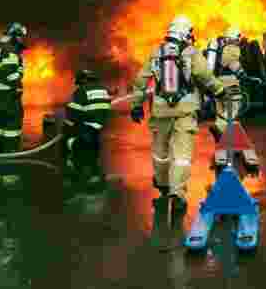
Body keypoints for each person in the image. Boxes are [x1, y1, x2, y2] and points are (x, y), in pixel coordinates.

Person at [130, 15, 235, 216]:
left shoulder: (156, 53)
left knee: (160, 153)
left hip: (160, 111)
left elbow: (140, 81)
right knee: (181, 157)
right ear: (186, 33)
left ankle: (162, 186)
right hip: (185, 113)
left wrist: (136, 106)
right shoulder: (191, 53)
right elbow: (206, 77)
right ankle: (177, 194)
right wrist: (220, 92)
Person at [0, 23, 27, 184]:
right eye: (20, 36)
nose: (21, 39)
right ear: (14, 35)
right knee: (12, 123)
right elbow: (11, 73)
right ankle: (10, 168)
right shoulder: (11, 50)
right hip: (8, 93)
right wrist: (18, 86)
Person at [63, 68, 111, 189]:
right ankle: (94, 171)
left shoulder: (81, 91)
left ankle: (74, 159)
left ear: (82, 81)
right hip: (99, 125)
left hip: (86, 124)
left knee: (71, 140)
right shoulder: (103, 90)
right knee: (93, 146)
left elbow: (73, 112)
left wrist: (67, 126)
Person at [203, 26, 247, 144]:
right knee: (234, 106)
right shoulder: (232, 48)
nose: (239, 40)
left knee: (220, 108)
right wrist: (242, 74)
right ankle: (219, 127)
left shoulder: (220, 47)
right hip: (230, 81)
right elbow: (231, 63)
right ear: (235, 37)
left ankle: (222, 138)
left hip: (218, 81)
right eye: (238, 37)